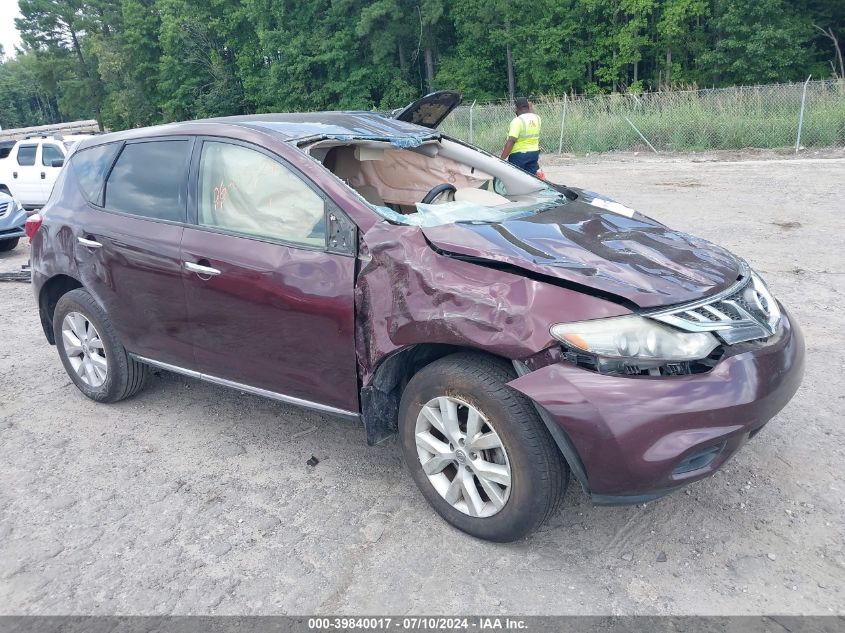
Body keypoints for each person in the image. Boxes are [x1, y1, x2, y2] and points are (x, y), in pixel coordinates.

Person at [500, 97, 541, 175]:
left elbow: (511, 141)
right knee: (531, 178)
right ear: (528, 106)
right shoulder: (537, 118)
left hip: (519, 156)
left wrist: (502, 158)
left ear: (516, 108)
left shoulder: (517, 121)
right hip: (534, 153)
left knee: (516, 178)